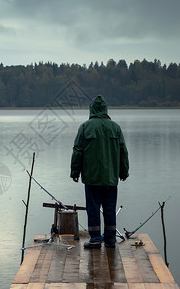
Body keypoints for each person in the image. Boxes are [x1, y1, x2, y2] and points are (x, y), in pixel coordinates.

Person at [70, 95, 129, 248]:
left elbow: (78, 151)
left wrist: (74, 172)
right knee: (109, 208)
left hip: (92, 177)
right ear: (105, 110)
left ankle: (95, 239)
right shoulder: (115, 127)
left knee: (93, 208)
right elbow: (123, 151)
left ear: (92, 110)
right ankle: (110, 240)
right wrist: (124, 172)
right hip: (110, 178)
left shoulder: (85, 127)